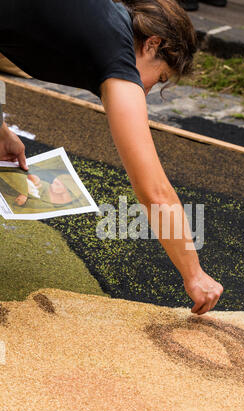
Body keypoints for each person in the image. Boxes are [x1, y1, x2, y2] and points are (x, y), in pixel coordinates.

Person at [0, 0, 223, 314]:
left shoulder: (100, 19)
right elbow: (155, 192)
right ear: (153, 44)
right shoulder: (116, 53)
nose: (144, 91)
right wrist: (194, 274)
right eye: (159, 78)